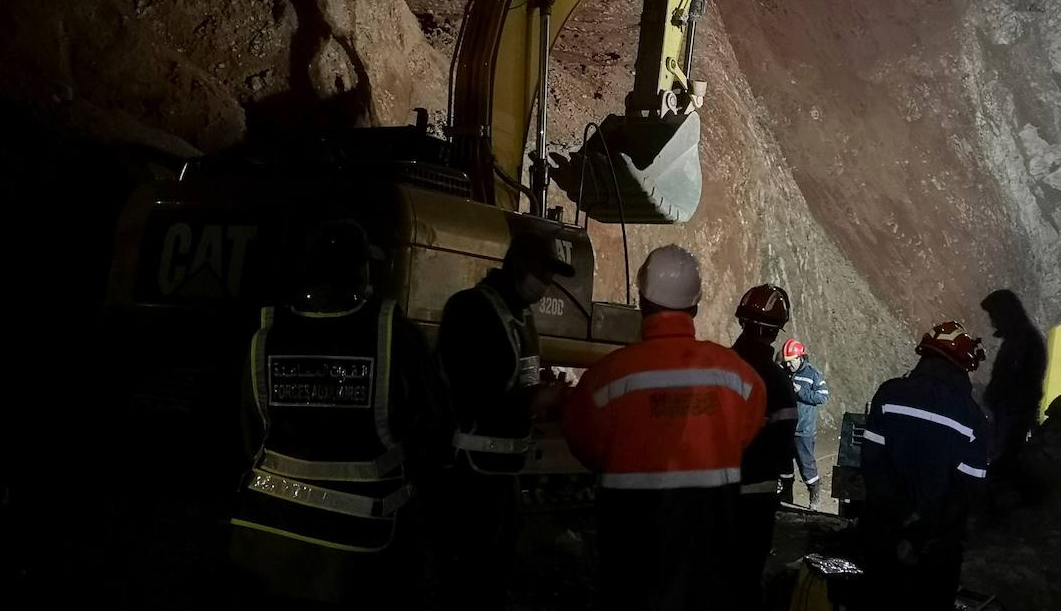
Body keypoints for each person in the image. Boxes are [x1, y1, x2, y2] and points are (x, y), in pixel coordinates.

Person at [229, 219, 442, 605]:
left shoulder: (266, 332)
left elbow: (248, 435)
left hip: (264, 534)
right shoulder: (392, 332)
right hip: (360, 545)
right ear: (358, 269)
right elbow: (432, 429)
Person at [562, 246, 766, 611]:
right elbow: (746, 429)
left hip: (631, 545)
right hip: (710, 544)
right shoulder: (737, 375)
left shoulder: (605, 378)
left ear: (642, 302)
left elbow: (583, 442)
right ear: (696, 305)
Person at [434, 230, 575, 608]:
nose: (546, 285)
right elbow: (471, 395)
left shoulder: (522, 318)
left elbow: (524, 380)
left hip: (503, 475)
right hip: (469, 479)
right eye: (543, 274)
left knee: (496, 574)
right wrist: (533, 401)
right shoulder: (471, 310)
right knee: (467, 580)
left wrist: (545, 395)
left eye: (550, 277)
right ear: (518, 264)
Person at [858, 321, 989, 611]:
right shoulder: (973, 419)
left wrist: (901, 519)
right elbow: (968, 493)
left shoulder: (889, 395)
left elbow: (871, 465)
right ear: (963, 364)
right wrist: (922, 532)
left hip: (883, 537)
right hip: (936, 550)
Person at [731, 284, 800, 605]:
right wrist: (785, 481)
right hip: (755, 496)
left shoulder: (717, 365)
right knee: (744, 578)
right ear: (775, 333)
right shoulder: (778, 383)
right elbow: (782, 446)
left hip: (710, 489)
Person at [979, 289, 1047, 498]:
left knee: (1005, 459)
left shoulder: (1020, 342)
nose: (993, 322)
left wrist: (993, 395)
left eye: (994, 316)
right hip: (1013, 412)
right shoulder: (1023, 338)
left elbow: (1013, 381)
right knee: (1008, 460)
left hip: (1012, 413)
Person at [782, 337, 830, 506]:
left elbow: (823, 397)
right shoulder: (785, 372)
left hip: (804, 431)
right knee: (784, 468)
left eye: (791, 361)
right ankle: (785, 499)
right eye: (786, 362)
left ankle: (814, 498)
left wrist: (800, 391)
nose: (788, 365)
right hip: (786, 429)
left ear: (800, 357)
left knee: (807, 467)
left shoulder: (813, 374)